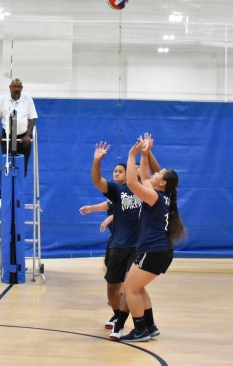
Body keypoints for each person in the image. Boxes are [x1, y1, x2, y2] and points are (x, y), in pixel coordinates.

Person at [118, 135, 186, 343]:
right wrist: (145, 153)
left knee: (130, 289)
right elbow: (146, 176)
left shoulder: (154, 197)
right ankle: (150, 326)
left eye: (159, 173)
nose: (155, 173)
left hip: (154, 251)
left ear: (163, 182)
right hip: (157, 251)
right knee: (137, 287)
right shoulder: (160, 195)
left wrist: (132, 155)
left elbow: (132, 181)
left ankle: (140, 330)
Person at [80, 142, 141, 331]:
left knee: (130, 286)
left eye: (123, 170)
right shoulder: (117, 191)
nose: (117, 173)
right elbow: (98, 181)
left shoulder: (146, 190)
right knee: (112, 287)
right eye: (115, 170)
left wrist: (144, 156)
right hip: (117, 244)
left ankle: (132, 322)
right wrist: (96, 161)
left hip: (138, 246)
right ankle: (117, 314)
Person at [0, 78, 38, 176]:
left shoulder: (27, 99)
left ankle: (19, 190)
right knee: (7, 167)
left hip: (23, 138)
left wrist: (28, 135)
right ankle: (5, 191)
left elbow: (32, 118)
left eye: (18, 87)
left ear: (22, 88)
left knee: (22, 166)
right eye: (14, 86)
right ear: (10, 87)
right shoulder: (2, 99)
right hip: (7, 137)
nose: (16, 89)